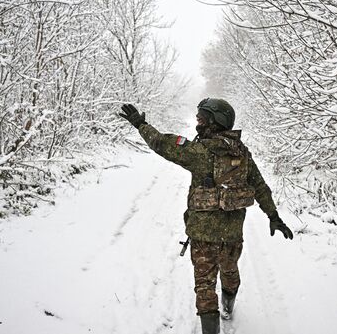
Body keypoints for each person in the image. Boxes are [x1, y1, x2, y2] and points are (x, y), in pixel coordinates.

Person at [119, 99, 293, 334]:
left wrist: (140, 124)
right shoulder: (242, 153)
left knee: (204, 287)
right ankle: (228, 306)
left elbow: (161, 143)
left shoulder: (199, 152)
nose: (198, 122)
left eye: (201, 118)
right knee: (230, 273)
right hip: (232, 235)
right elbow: (260, 186)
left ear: (214, 120)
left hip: (202, 236)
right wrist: (273, 215)